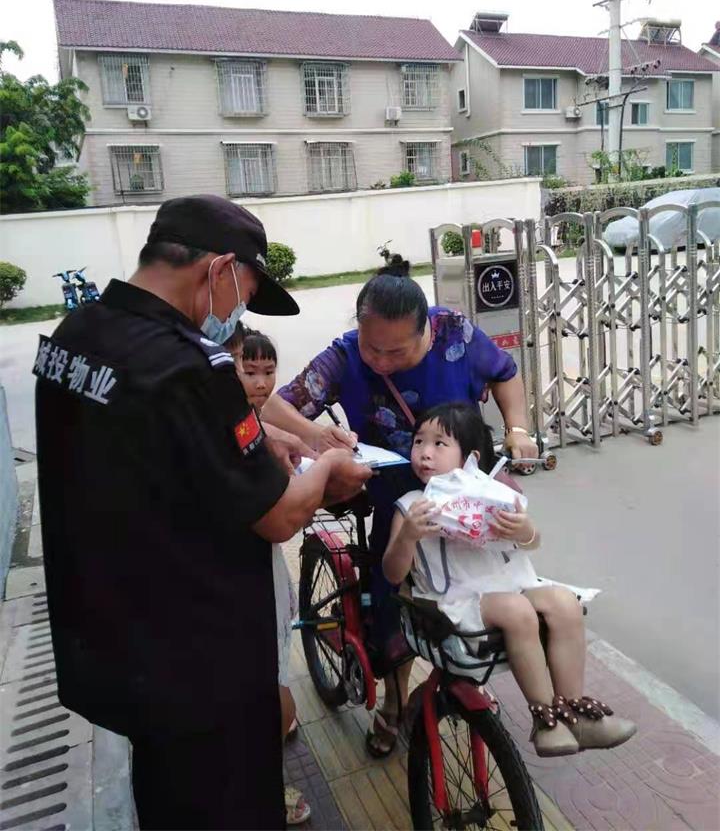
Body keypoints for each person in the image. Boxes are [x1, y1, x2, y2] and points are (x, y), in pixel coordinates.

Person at [34, 195, 371, 830]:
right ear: (217, 270)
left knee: (166, 800)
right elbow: (278, 516)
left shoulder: (77, 335)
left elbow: (157, 449)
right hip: (199, 664)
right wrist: (328, 467)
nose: (238, 314)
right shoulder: (191, 364)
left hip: (113, 642)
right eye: (244, 292)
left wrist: (268, 439)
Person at [262, 254, 539, 757]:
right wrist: (315, 435)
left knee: (482, 588)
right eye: (372, 347)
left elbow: (505, 372)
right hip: (396, 502)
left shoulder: (455, 333)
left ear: (425, 332)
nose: (381, 361)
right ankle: (393, 703)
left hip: (466, 499)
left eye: (396, 351)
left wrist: (518, 428)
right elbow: (275, 404)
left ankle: (461, 679)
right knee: (395, 601)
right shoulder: (346, 356)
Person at [383, 403, 637, 757]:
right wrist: (409, 535)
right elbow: (393, 574)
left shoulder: (493, 494)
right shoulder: (412, 506)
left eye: (439, 444)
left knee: (564, 602)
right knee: (517, 610)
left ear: (470, 458)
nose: (425, 452)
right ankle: (545, 718)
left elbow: (531, 543)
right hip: (453, 602)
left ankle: (576, 711)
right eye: (418, 442)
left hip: (505, 587)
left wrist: (524, 530)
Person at [226, 326, 309, 825]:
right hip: (249, 562)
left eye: (267, 371)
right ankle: (267, 787)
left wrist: (299, 438)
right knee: (272, 683)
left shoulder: (243, 416)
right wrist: (323, 473)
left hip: (249, 562)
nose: (259, 382)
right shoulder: (229, 422)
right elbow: (280, 521)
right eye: (247, 369)